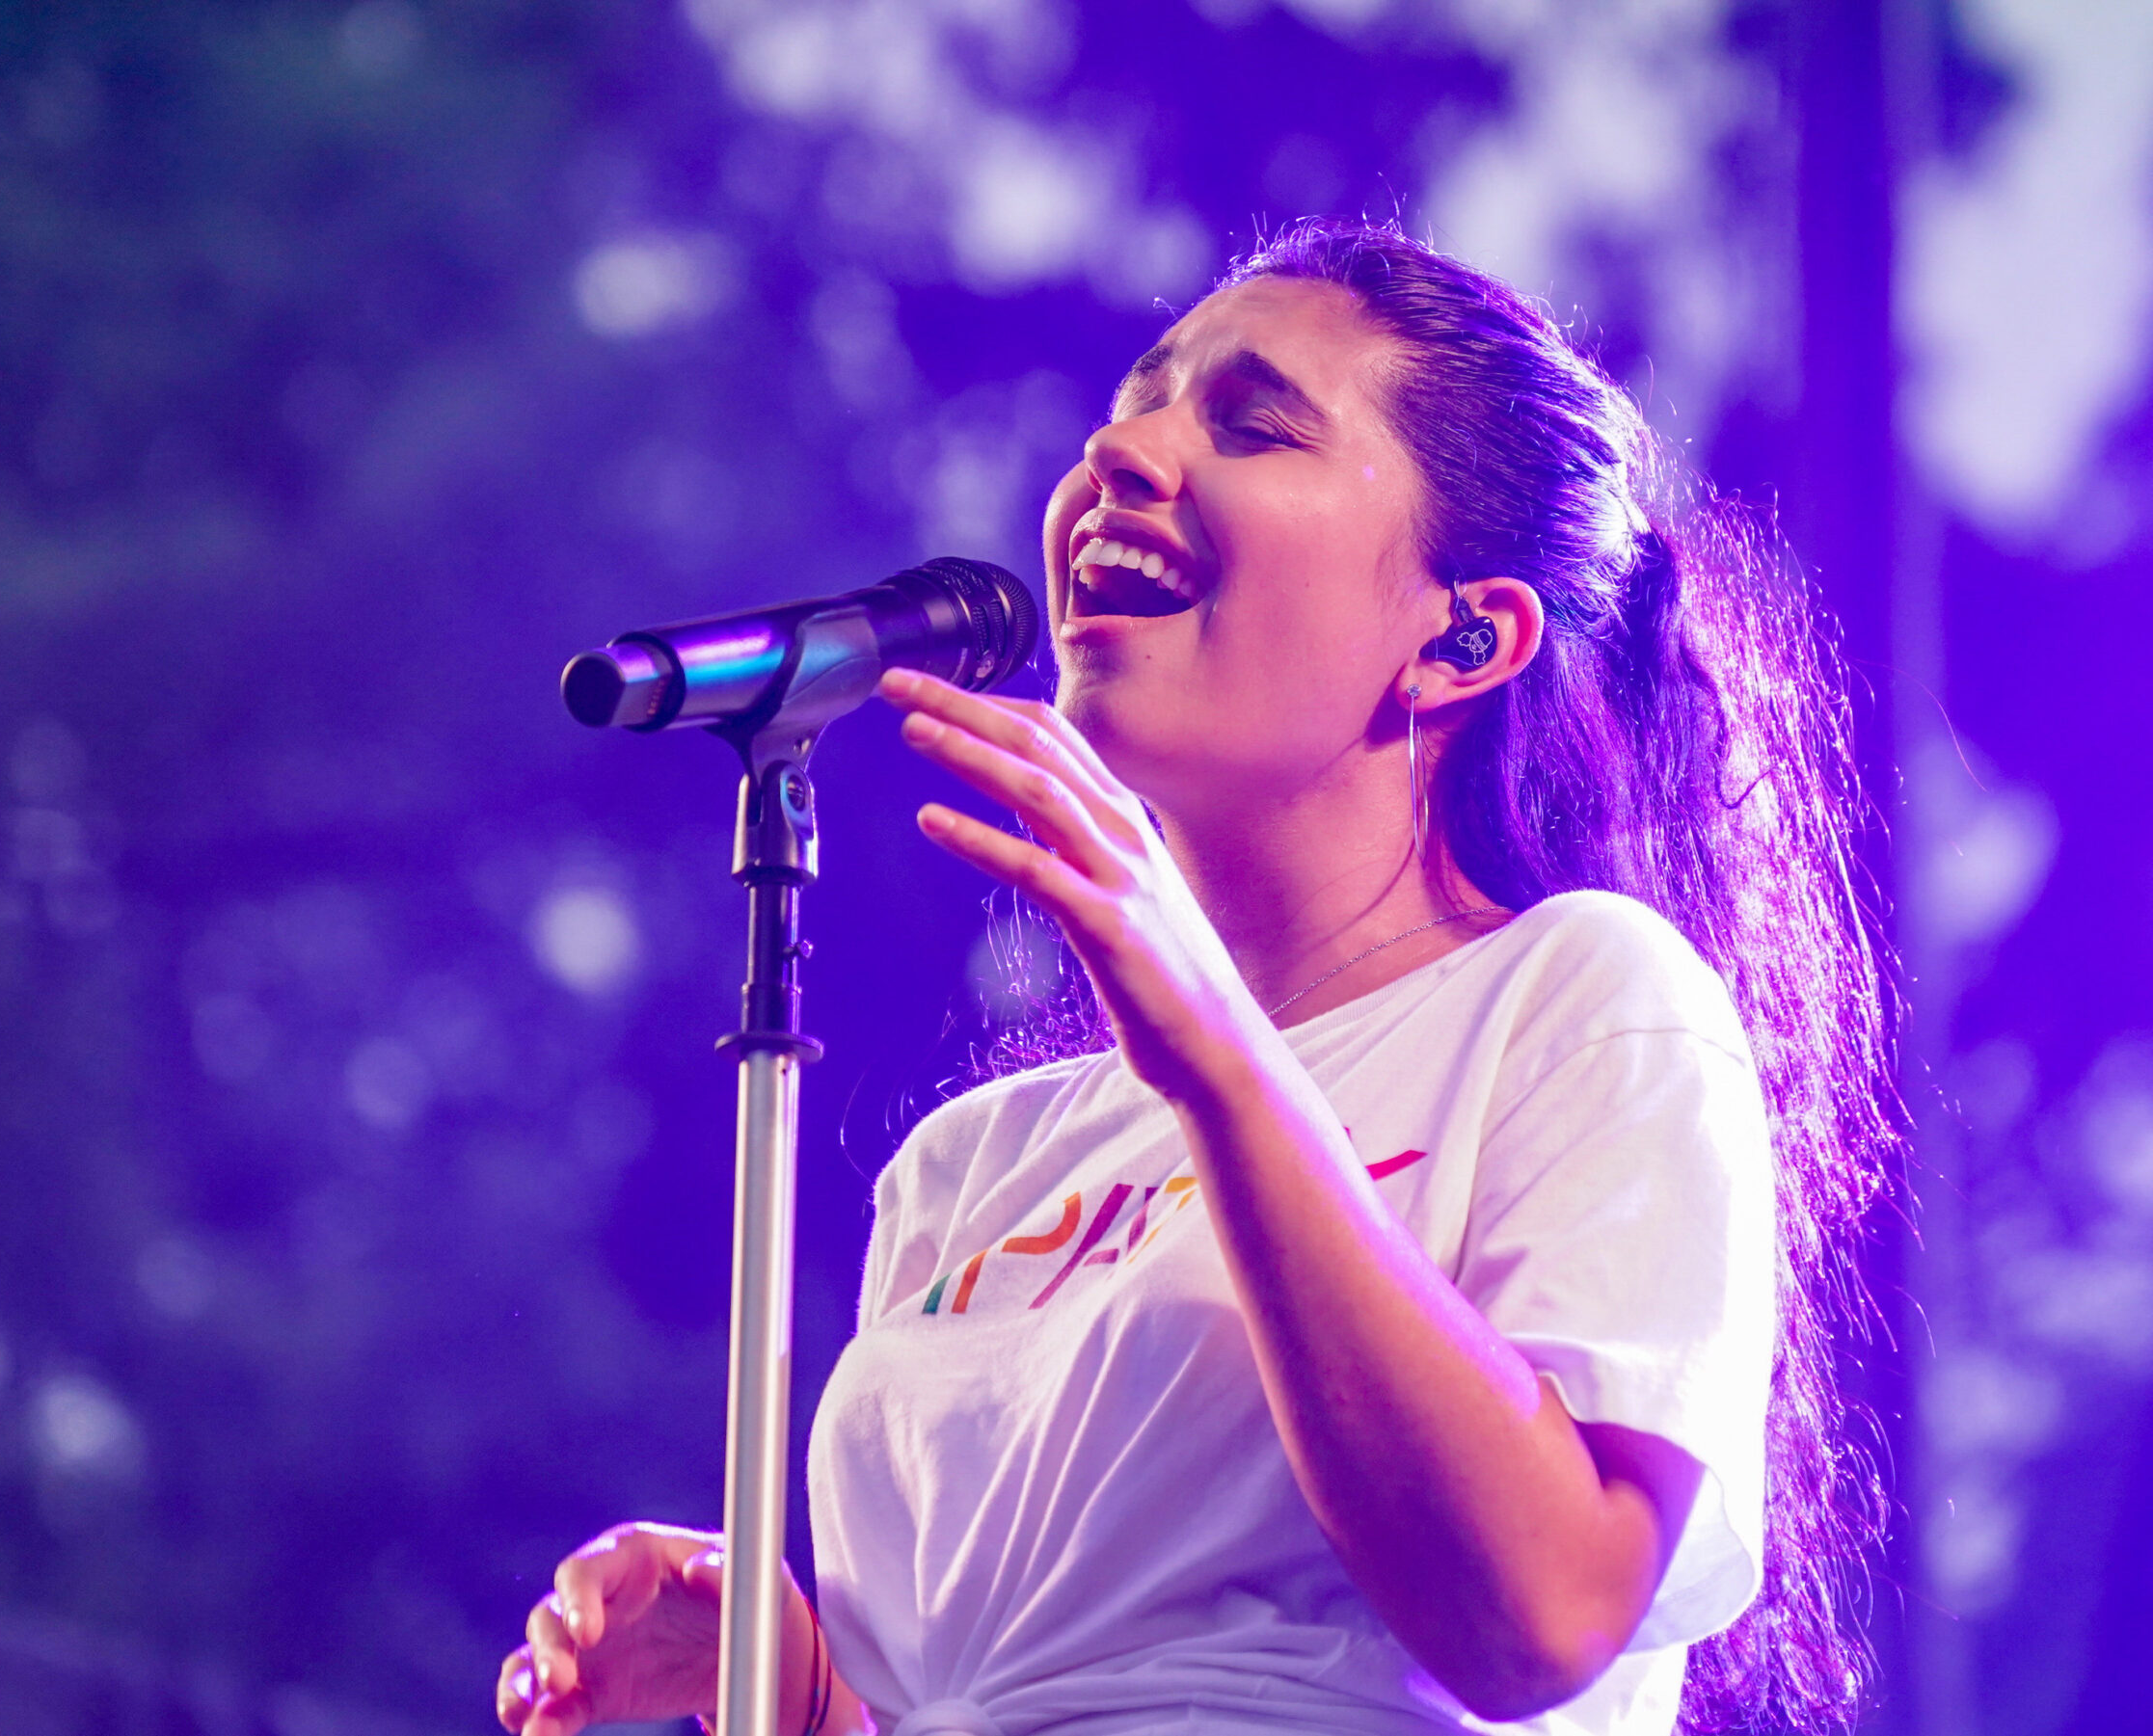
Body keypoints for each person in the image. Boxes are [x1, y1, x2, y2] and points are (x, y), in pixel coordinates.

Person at [496, 219, 1893, 1736]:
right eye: (1132, 405)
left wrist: (1222, 1058)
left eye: (1250, 423)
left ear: (1463, 636)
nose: (1124, 453)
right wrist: (802, 1689)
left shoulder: (1580, 999)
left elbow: (1543, 1609)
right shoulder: (976, 1164)